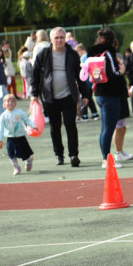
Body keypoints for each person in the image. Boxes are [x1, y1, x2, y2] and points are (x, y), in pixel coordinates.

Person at [29, 27, 86, 168]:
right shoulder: (43, 54)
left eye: (62, 37)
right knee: (55, 127)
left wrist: (85, 94)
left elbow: (80, 76)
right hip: (50, 97)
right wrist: (34, 94)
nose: (59, 40)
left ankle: (74, 155)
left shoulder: (72, 54)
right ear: (51, 39)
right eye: (57, 37)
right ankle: (58, 155)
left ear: (65, 38)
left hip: (68, 96)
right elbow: (35, 75)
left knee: (70, 125)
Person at [86, 28, 133, 167]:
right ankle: (106, 159)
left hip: (100, 92)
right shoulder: (108, 53)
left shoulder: (94, 53)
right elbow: (113, 73)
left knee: (105, 128)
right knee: (108, 128)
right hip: (111, 94)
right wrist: (122, 71)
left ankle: (105, 157)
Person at [0, 94, 35, 175]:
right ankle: (16, 167)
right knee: (11, 154)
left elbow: (27, 120)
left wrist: (33, 126)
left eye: (13, 101)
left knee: (25, 152)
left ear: (16, 103)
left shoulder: (20, 112)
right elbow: (0, 128)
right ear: (3, 104)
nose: (10, 102)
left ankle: (29, 160)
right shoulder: (3, 116)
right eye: (8, 101)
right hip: (10, 138)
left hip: (20, 137)